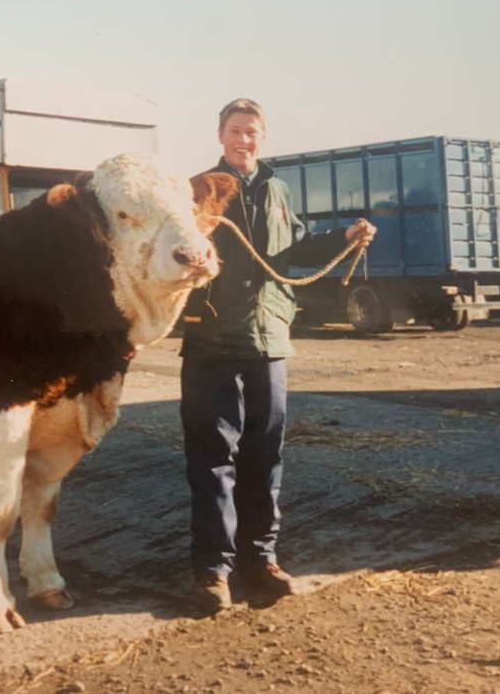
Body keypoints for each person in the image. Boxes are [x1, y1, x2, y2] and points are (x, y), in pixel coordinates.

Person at [180, 98, 375, 614]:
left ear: (261, 137)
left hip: (269, 341)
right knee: (213, 461)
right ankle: (213, 572)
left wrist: (346, 237)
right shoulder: (197, 189)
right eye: (235, 131)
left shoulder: (279, 189)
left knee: (265, 458)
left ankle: (260, 561)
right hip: (212, 342)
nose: (244, 140)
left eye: (252, 132)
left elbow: (298, 247)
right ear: (219, 135)